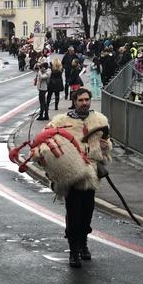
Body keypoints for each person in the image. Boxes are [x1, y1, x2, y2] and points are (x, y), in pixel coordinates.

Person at [46, 88, 111, 267]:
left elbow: (106, 148)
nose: (84, 103)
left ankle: (83, 243)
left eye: (87, 100)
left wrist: (105, 147)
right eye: (81, 100)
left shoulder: (99, 120)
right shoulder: (61, 121)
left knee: (87, 213)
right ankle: (74, 250)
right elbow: (48, 143)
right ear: (74, 101)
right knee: (74, 214)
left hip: (91, 175)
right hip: (71, 174)